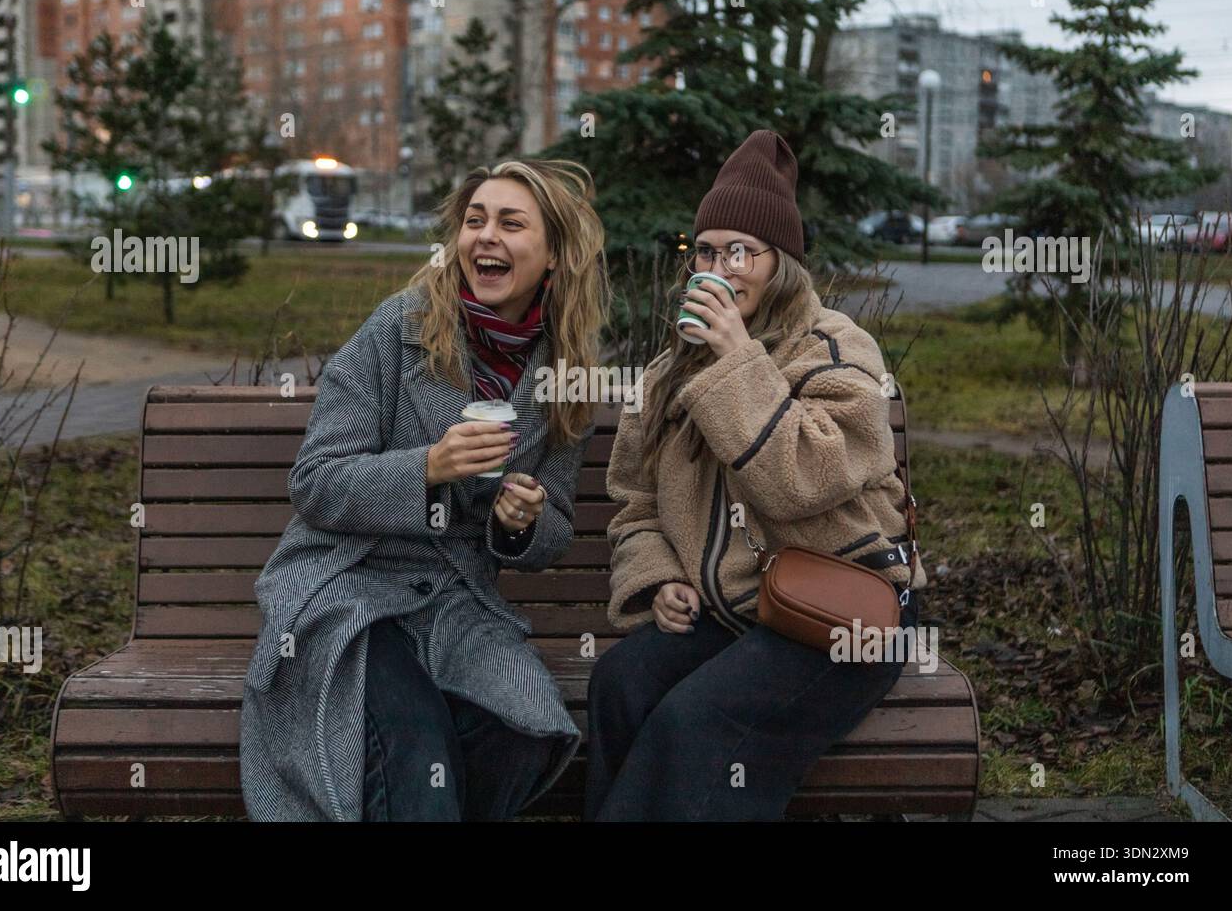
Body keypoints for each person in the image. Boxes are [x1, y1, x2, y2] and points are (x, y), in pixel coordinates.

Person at [239, 158, 609, 821]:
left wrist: (520, 520)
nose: (485, 237)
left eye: (510, 223)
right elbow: (315, 484)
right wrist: (427, 467)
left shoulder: (566, 371)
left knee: (525, 733)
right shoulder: (397, 330)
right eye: (474, 221)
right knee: (416, 751)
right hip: (350, 589)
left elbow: (551, 528)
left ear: (553, 254)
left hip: (457, 601)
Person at [584, 129, 929, 821]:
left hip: (843, 611)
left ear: (783, 264)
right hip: (732, 611)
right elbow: (634, 502)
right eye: (705, 251)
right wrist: (660, 579)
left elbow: (805, 477)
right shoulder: (663, 376)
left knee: (694, 725)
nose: (720, 267)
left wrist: (738, 362)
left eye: (741, 251)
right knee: (622, 684)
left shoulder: (838, 349)